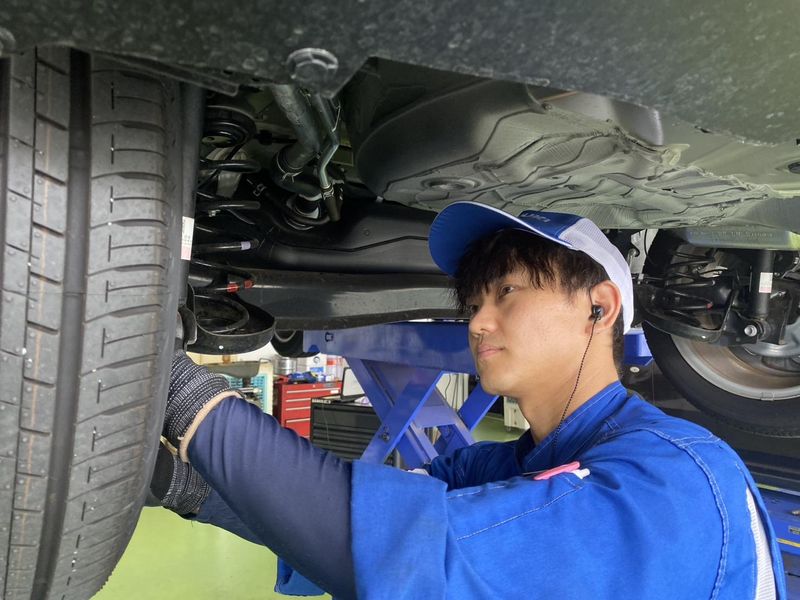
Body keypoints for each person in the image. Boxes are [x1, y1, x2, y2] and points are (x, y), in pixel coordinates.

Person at [150, 201, 786, 599]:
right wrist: (183, 486)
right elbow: (342, 512)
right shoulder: (507, 465)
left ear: (599, 306)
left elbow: (385, 550)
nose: (478, 323)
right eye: (474, 303)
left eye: (506, 293)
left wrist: (176, 385)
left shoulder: (673, 477)